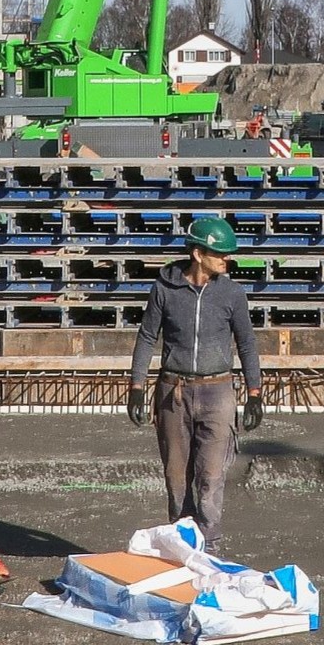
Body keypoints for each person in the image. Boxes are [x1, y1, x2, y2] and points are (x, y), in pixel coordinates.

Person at [126, 215, 263, 553]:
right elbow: (146, 337)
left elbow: (246, 343)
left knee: (211, 476)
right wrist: (137, 386)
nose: (227, 260)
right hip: (174, 392)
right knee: (176, 476)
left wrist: (255, 392)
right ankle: (181, 546)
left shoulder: (232, 293)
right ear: (198, 254)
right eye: (221, 254)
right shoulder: (165, 289)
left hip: (218, 392)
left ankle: (210, 546)